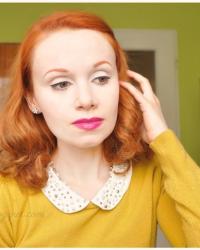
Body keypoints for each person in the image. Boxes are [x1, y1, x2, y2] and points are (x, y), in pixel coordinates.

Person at [0, 10, 199, 248]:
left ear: (121, 85)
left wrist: (164, 140)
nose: (86, 100)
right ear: (33, 99)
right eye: (61, 83)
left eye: (101, 78)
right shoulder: (7, 193)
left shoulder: (152, 175)